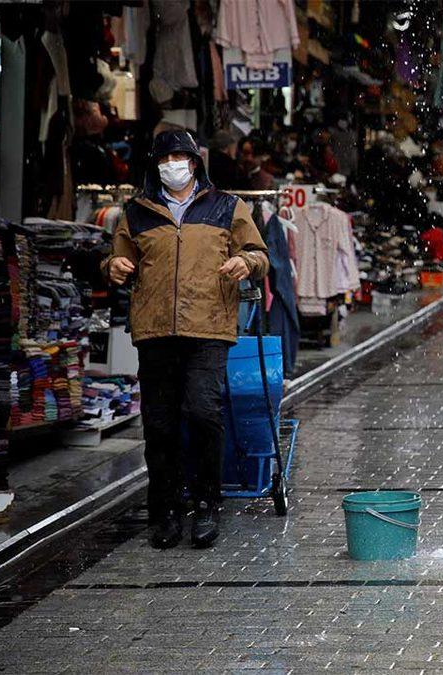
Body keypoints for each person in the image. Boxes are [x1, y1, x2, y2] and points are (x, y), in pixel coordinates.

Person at [102, 129, 269, 550]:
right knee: (159, 424)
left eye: (182, 157)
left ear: (195, 163)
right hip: (154, 329)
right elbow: (118, 258)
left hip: (208, 326)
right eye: (166, 158)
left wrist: (244, 261)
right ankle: (165, 509)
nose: (174, 165)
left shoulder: (227, 206)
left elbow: (260, 255)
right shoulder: (137, 212)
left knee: (202, 412)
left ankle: (207, 502)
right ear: (155, 166)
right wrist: (115, 266)